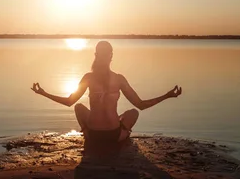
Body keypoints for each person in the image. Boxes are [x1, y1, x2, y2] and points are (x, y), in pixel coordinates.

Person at [31, 40, 182, 144]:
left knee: (79, 107)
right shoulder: (119, 79)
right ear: (111, 56)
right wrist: (167, 95)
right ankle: (121, 131)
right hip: (114, 135)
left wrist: (43, 93)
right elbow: (140, 105)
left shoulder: (88, 78)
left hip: (93, 136)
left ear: (96, 55)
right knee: (133, 112)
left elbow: (69, 102)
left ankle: (86, 132)